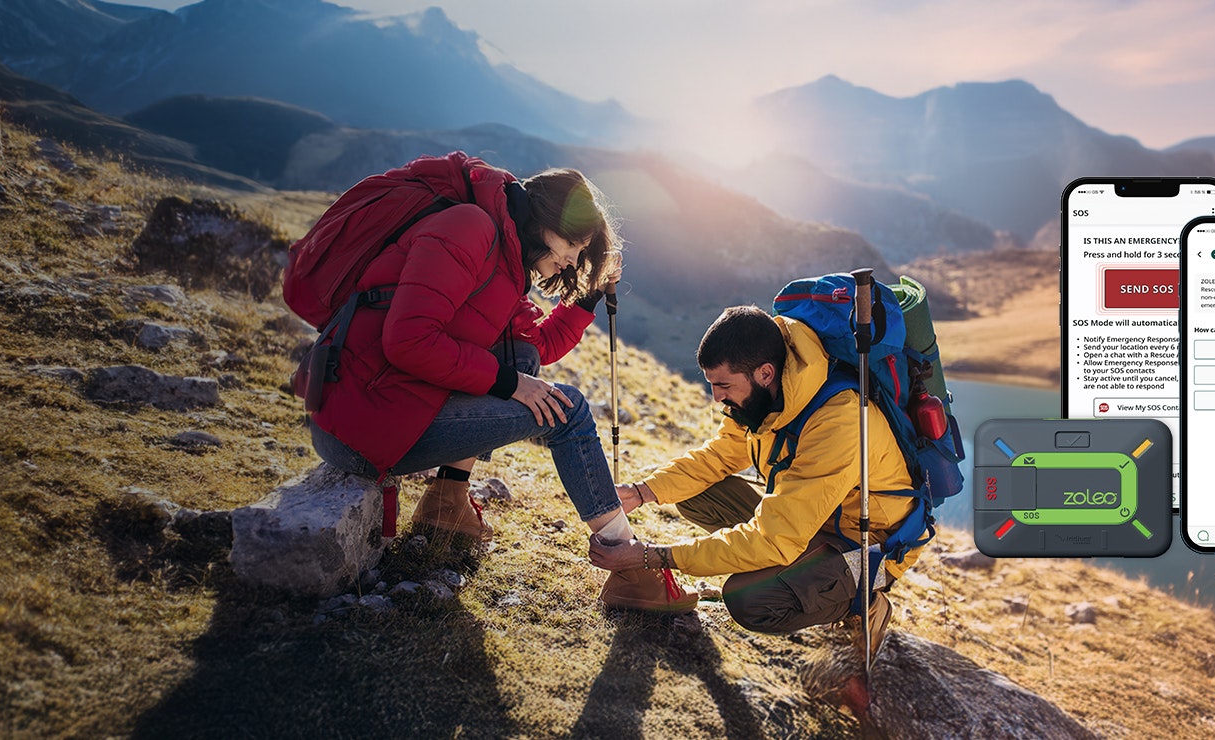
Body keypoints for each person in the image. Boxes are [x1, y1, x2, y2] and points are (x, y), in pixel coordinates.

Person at [309, 156, 693, 611]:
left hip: (387, 407)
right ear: (543, 220)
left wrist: (588, 296)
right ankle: (630, 566)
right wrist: (510, 383)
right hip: (365, 422)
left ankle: (446, 504)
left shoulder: (504, 260)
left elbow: (536, 348)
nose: (571, 259)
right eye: (570, 244)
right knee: (568, 413)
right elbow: (407, 340)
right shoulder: (469, 231)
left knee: (521, 356)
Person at [589, 305, 928, 646]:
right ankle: (803, 572)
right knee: (695, 492)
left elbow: (774, 539)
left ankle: (866, 603)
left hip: (869, 547)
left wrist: (650, 555)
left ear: (765, 373)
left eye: (723, 385)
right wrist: (642, 491)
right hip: (809, 519)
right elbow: (718, 457)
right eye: (711, 385)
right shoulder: (764, 397)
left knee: (749, 599)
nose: (717, 398)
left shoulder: (839, 421)